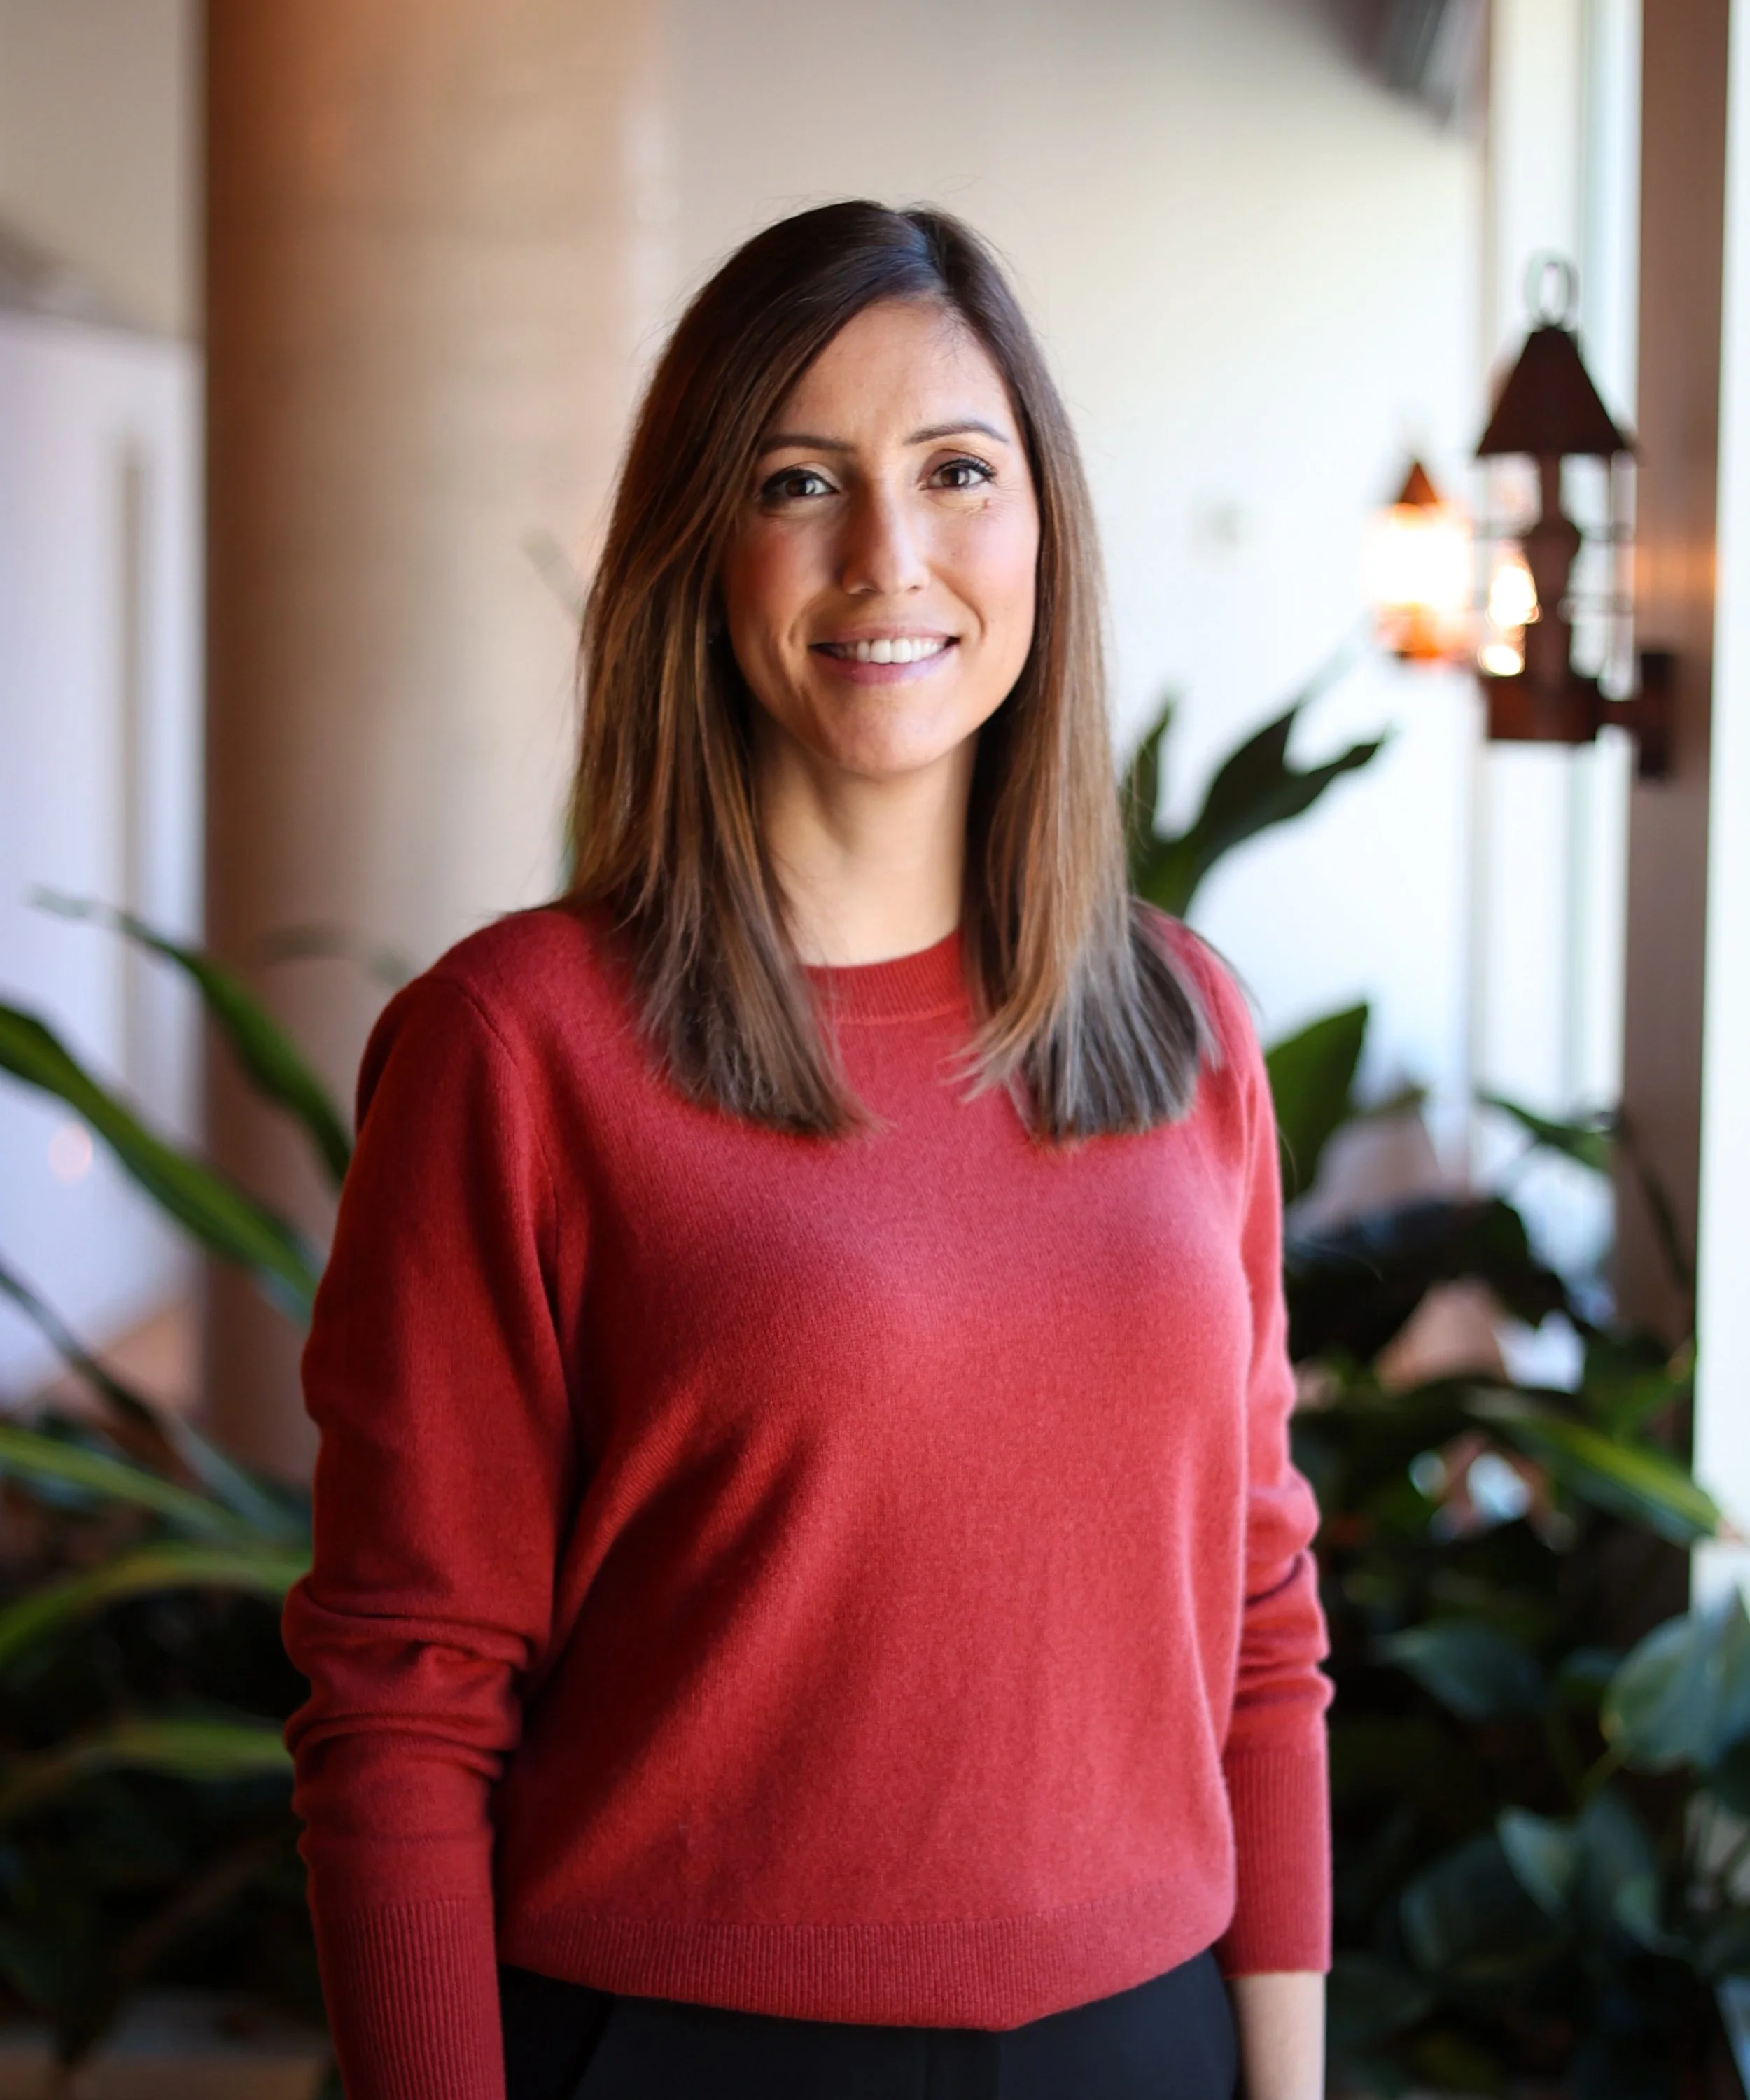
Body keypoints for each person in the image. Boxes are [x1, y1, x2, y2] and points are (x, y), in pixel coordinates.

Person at [284, 202, 1331, 2100]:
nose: (888, 557)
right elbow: (401, 1698)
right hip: (681, 2052)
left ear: (1039, 533)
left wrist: (1284, 2079)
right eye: (797, 479)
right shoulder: (516, 1045)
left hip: (1147, 2039)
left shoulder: (1186, 1030)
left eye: (956, 469)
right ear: (703, 545)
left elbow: (1260, 1612)